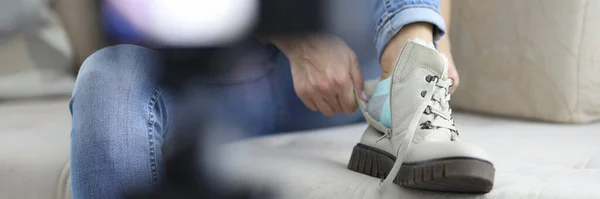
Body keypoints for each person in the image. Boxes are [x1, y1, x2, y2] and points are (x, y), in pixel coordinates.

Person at [70, 0, 466, 198]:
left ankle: (412, 72)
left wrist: (431, 42)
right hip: (223, 63)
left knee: (415, 48)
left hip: (361, 69)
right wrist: (297, 41)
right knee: (106, 82)